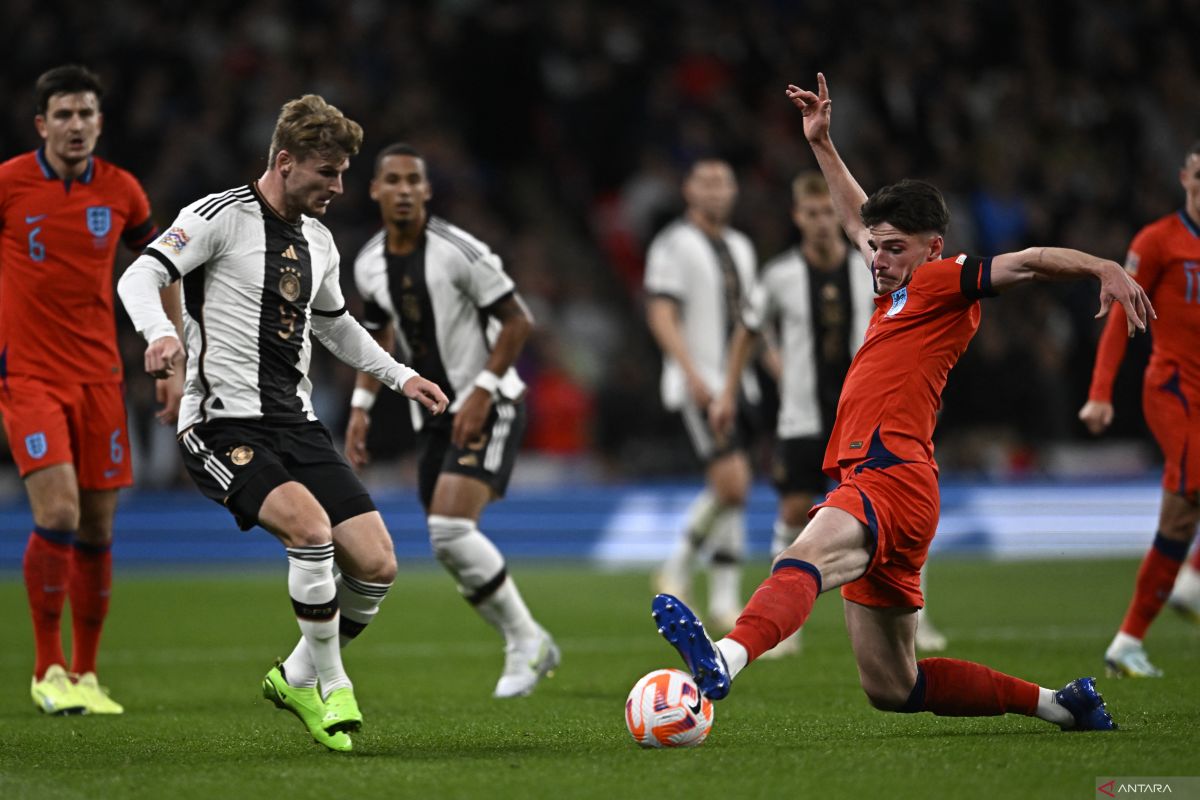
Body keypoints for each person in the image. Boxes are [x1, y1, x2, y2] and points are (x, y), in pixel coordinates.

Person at [652, 73, 1154, 732]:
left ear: (933, 249)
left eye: (894, 249)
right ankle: (1061, 705)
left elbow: (1028, 261)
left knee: (799, 556)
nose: (878, 258)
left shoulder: (946, 281)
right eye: (877, 246)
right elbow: (852, 215)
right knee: (894, 685)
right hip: (887, 481)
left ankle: (725, 656)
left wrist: (1101, 267)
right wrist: (824, 144)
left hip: (892, 474)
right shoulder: (893, 286)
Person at [117, 96, 448, 752]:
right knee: (310, 529)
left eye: (344, 173)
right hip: (220, 424)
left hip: (295, 424)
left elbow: (334, 325)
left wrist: (399, 376)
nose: (340, 187)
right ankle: (331, 684)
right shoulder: (217, 217)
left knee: (378, 564)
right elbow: (139, 275)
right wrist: (159, 335)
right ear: (285, 161)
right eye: (327, 172)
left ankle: (296, 673)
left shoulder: (318, 241)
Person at [344, 143, 559, 697]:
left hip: (490, 401)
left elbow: (517, 320)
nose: (404, 190)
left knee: (450, 529)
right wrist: (362, 406)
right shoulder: (368, 263)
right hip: (434, 417)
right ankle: (531, 635)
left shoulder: (460, 251)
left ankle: (524, 643)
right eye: (392, 180)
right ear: (375, 190)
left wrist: (484, 392)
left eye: (414, 180)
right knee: (447, 544)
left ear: (427, 190)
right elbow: (379, 338)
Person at [0, 64, 181, 716]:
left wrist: (174, 353)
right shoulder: (9, 184)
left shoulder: (123, 192)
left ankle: (85, 674)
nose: (76, 126)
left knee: (99, 527)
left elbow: (163, 266)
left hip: (102, 376)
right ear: (42, 124)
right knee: (59, 515)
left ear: (100, 123)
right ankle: (46, 667)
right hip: (29, 377)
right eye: (64, 115)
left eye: (86, 115)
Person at [713, 172, 948, 657]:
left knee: (895, 520)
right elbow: (748, 331)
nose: (822, 222)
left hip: (873, 416)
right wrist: (728, 394)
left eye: (828, 212)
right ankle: (786, 626)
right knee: (794, 510)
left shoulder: (879, 267)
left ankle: (918, 619)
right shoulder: (780, 274)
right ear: (798, 217)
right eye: (811, 213)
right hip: (802, 413)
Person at [1080, 140, 1200, 677]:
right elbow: (1119, 320)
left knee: (1179, 515)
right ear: (1184, 177)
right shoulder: (1157, 242)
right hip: (1174, 389)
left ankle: (1130, 639)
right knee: (1192, 486)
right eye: (1199, 174)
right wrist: (1101, 391)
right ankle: (1185, 586)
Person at [644, 158, 760, 632]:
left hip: (738, 383)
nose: (716, 190)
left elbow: (750, 320)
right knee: (733, 485)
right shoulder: (673, 244)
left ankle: (707, 590)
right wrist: (688, 371)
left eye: (723, 181)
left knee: (733, 490)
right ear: (688, 190)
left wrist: (774, 366)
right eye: (706, 182)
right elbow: (661, 313)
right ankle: (686, 577)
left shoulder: (741, 246)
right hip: (700, 382)